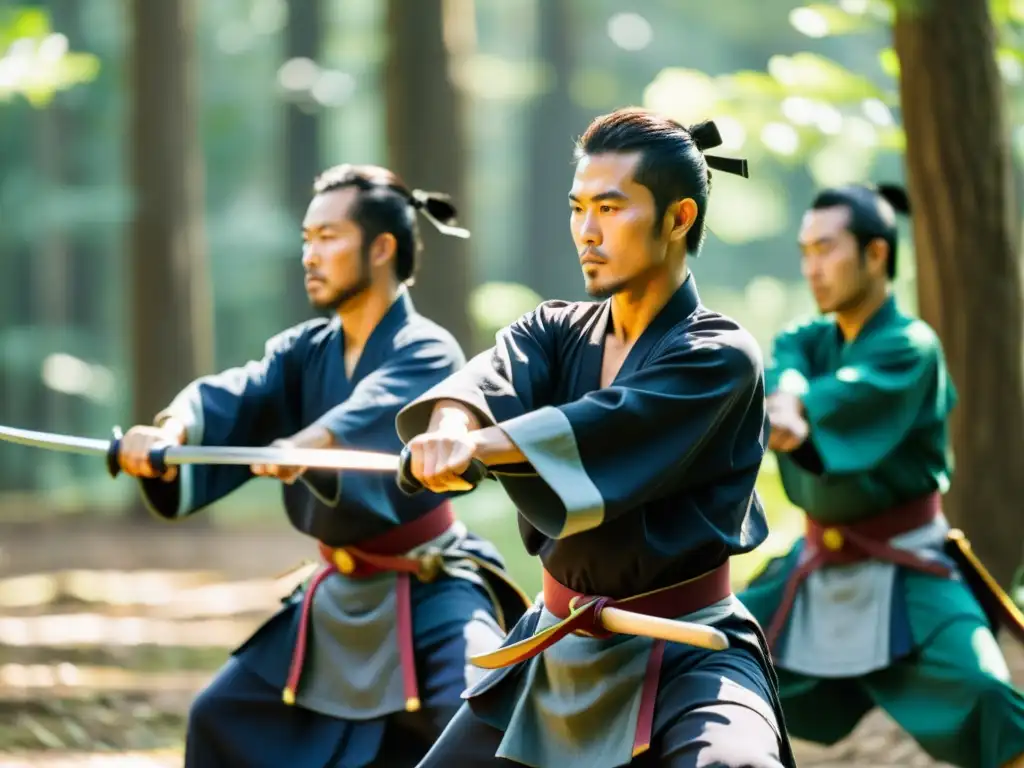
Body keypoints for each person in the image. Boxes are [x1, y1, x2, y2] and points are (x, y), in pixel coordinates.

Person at [393, 108, 796, 768]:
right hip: (554, 644)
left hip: (688, 648)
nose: (587, 231)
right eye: (579, 208)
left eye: (610, 209)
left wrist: (481, 448)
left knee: (736, 766)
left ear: (678, 219)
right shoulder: (553, 329)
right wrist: (448, 429)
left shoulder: (720, 353)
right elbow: (483, 383)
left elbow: (613, 422)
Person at [115, 164, 531, 768]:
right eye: (306, 239)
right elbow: (237, 393)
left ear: (382, 247)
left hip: (431, 587)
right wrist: (167, 434)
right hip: (337, 593)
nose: (310, 255)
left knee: (486, 715)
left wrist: (306, 444)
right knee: (220, 716)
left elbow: (377, 407)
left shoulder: (428, 347)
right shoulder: (302, 350)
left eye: (329, 237)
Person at [738, 182, 1024, 768]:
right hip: (815, 567)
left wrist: (800, 411)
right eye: (805, 250)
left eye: (827, 248)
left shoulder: (911, 347)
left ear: (876, 254)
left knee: (989, 697)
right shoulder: (807, 337)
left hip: (909, 568)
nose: (812, 266)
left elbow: (832, 404)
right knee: (706, 660)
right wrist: (788, 403)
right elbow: (788, 371)